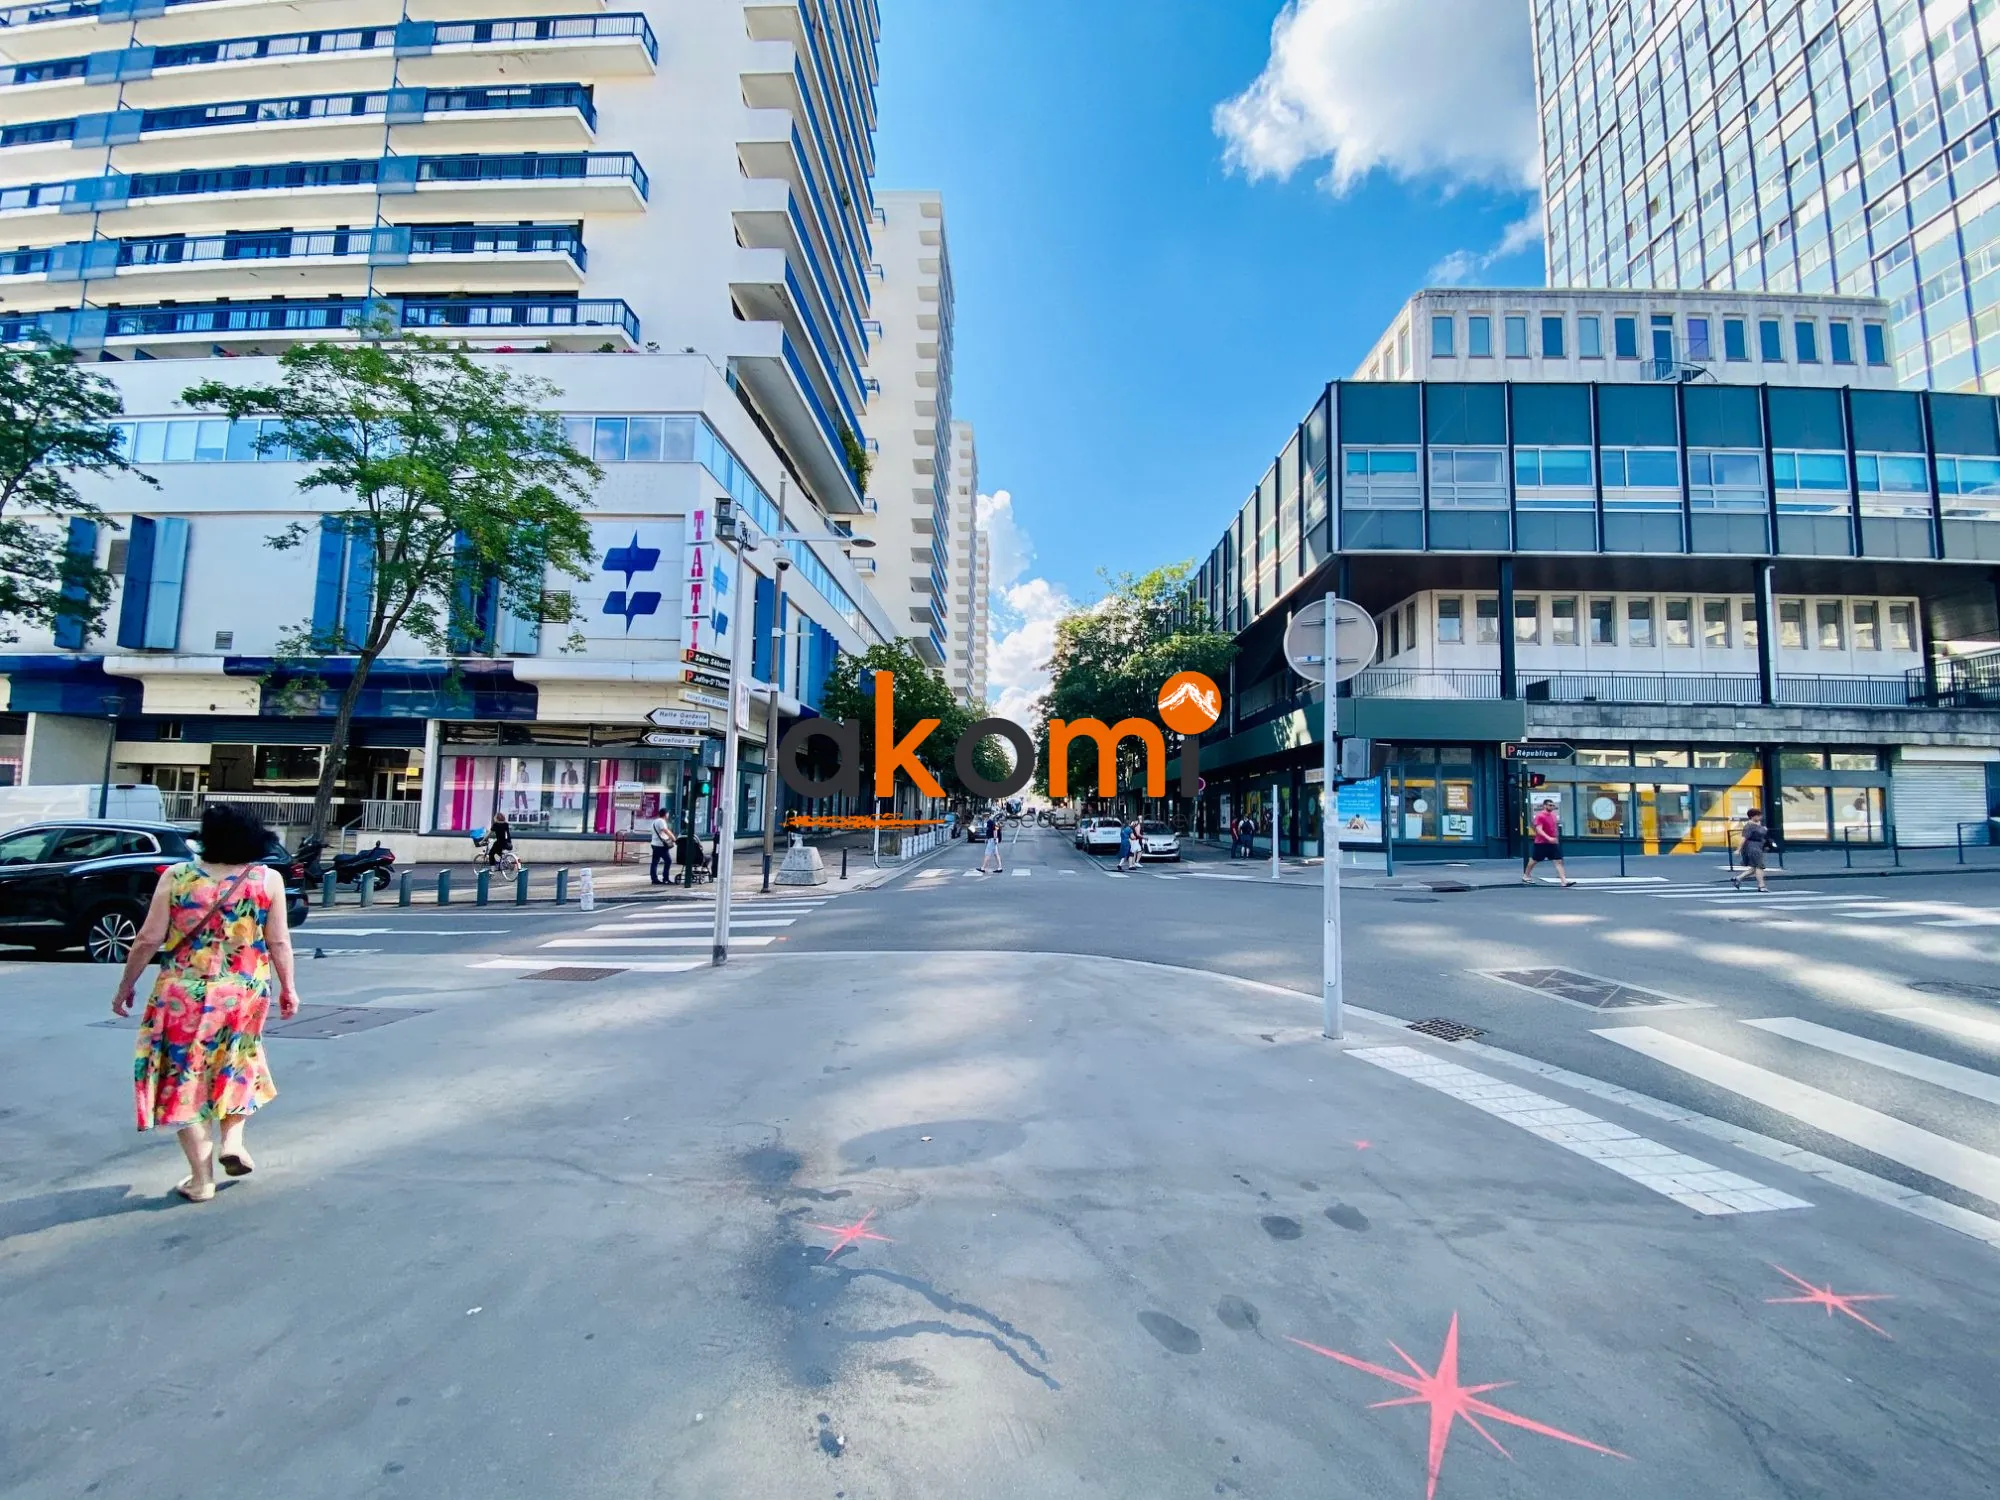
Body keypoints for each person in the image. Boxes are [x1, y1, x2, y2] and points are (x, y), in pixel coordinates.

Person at [111, 803, 301, 1203]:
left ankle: (201, 1179)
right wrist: (289, 988)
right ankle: (233, 1139)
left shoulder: (177, 878)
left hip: (183, 993)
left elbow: (147, 939)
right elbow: (279, 940)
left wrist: (126, 985)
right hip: (244, 992)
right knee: (238, 1060)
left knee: (185, 1078)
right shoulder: (266, 879)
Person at [1522, 798, 1576, 887]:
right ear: (1544, 806)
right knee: (1535, 860)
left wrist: (1555, 838)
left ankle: (1564, 881)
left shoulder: (1553, 816)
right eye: (1550, 805)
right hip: (1541, 843)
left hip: (1552, 843)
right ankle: (1526, 876)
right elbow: (1539, 830)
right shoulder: (1540, 816)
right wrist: (1549, 838)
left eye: (1553, 805)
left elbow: (1553, 828)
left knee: (1558, 860)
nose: (1552, 807)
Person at [1733, 807, 1772, 892]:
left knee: (1755, 867)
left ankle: (1738, 878)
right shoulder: (1749, 826)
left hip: (1759, 846)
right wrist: (1738, 850)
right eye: (1758, 816)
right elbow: (1744, 838)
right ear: (1752, 816)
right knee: (1759, 866)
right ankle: (1761, 886)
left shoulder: (1758, 824)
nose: (1760, 817)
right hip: (1752, 846)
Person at [648, 808, 674, 886]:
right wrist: (673, 838)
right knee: (668, 861)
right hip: (660, 845)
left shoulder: (655, 821)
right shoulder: (661, 821)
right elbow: (665, 830)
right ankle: (665, 878)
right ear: (665, 814)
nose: (668, 815)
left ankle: (654, 879)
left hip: (654, 843)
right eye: (668, 814)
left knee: (655, 862)